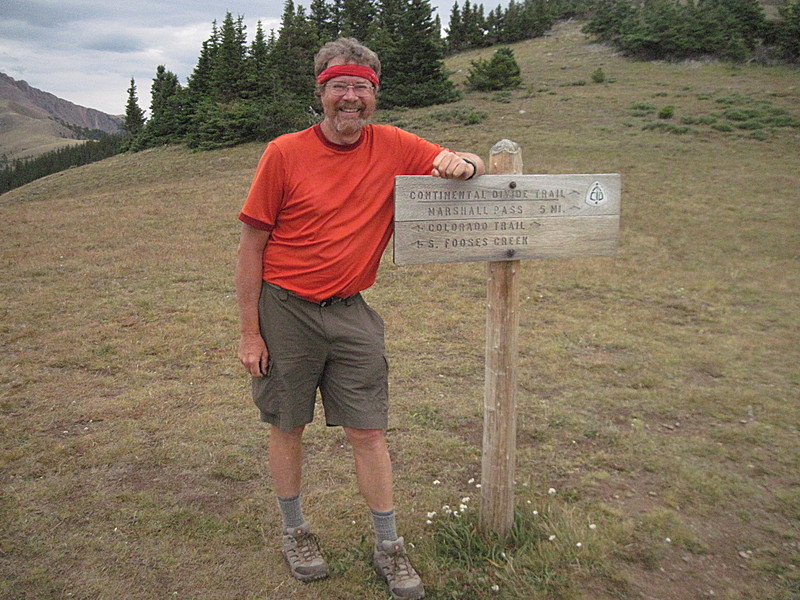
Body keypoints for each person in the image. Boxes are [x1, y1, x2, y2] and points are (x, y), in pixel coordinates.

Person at [236, 37, 485, 600]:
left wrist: (463, 163)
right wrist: (251, 333)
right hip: (285, 310)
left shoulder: (394, 144)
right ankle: (294, 530)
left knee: (368, 430)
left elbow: (464, 162)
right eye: (339, 87)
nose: (350, 98)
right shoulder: (283, 152)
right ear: (321, 92)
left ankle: (389, 546)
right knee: (287, 424)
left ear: (375, 94)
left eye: (361, 88)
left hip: (351, 312)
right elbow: (252, 244)